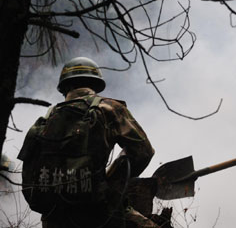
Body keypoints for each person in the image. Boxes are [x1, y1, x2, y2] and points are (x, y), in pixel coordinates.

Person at [18, 57, 155, 228]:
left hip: (54, 216)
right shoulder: (109, 108)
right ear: (95, 85)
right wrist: (112, 179)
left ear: (65, 87)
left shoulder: (47, 119)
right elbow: (144, 151)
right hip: (99, 211)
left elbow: (28, 169)